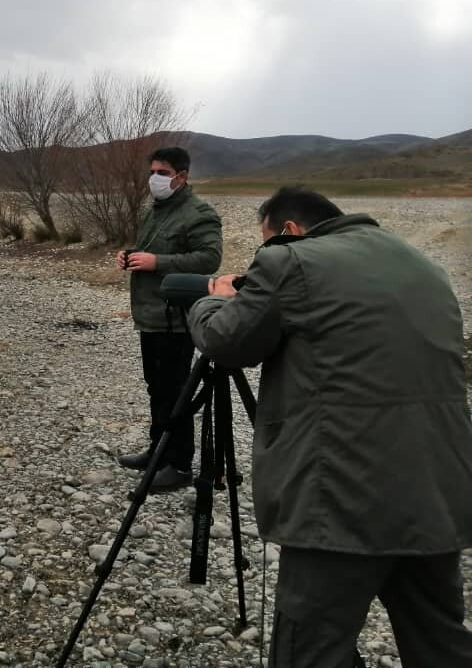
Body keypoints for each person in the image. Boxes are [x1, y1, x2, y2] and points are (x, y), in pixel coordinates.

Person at [187, 185, 472, 667]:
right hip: (438, 493)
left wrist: (214, 300)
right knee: (440, 642)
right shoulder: (421, 265)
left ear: (291, 231)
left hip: (342, 498)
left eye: (265, 242)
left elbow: (226, 342)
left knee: (311, 651)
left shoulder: (290, 261)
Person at [115, 146, 222, 492]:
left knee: (176, 392)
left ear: (181, 177)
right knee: (156, 388)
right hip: (149, 315)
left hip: (176, 319)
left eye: (162, 172)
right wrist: (130, 256)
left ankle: (179, 465)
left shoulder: (199, 213)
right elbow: (149, 247)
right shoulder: (155, 212)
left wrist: (157, 262)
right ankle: (158, 451)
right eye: (152, 172)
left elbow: (208, 259)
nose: (154, 179)